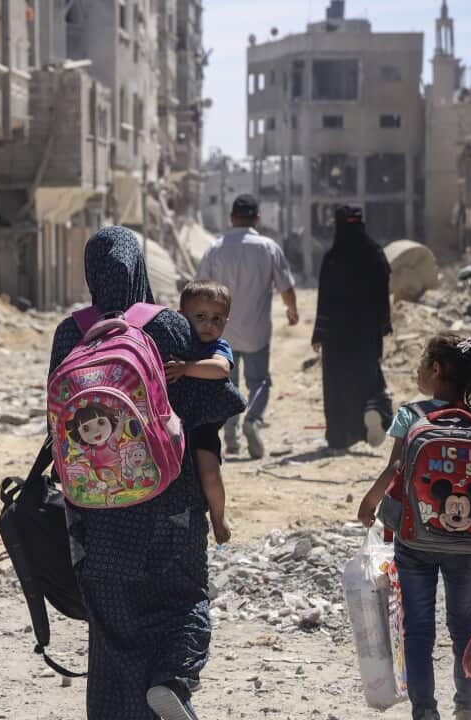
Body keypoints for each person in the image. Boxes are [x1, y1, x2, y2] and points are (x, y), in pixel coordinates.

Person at [50, 226, 245, 720]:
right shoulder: (169, 327)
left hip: (98, 510)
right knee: (182, 602)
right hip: (169, 500)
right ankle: (171, 682)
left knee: (113, 629)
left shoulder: (71, 332)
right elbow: (207, 408)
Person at [356, 334, 471, 720]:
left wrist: (370, 503)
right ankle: (467, 707)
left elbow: (395, 470)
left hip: (415, 540)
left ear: (435, 370)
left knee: (418, 630)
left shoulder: (410, 415)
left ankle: (425, 712)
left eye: (421, 364)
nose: (418, 371)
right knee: (463, 625)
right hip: (466, 545)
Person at [196, 194, 298, 459]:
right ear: (257, 219)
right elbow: (286, 286)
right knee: (260, 381)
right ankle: (252, 420)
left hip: (222, 333)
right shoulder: (268, 247)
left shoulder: (215, 248)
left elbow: (197, 290)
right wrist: (292, 310)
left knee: (227, 383)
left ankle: (230, 436)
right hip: (257, 331)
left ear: (231, 218)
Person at [311, 205, 394, 450]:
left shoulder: (333, 257)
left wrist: (319, 332)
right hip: (366, 333)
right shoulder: (375, 253)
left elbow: (324, 299)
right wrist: (384, 325)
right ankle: (373, 411)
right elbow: (383, 294)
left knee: (337, 385)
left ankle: (338, 436)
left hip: (336, 336)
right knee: (368, 378)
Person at [165, 281, 236, 545]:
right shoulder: (177, 341)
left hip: (203, 426)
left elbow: (220, 369)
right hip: (174, 423)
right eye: (201, 317)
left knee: (209, 472)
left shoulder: (216, 348)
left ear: (226, 322)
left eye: (217, 318)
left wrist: (187, 368)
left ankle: (218, 518)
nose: (209, 325)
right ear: (181, 316)